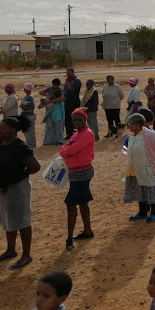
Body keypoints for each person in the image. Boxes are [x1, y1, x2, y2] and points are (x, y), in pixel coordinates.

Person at [0, 116, 40, 269]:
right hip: (0, 189)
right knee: (8, 219)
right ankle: (11, 250)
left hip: (17, 189)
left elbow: (35, 167)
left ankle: (26, 255)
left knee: (22, 220)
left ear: (13, 131)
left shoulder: (20, 147)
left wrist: (18, 176)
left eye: (3, 128)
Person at [60, 109, 95, 250]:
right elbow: (65, 149)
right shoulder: (77, 134)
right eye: (75, 120)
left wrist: (66, 151)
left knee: (71, 203)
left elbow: (68, 150)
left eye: (80, 119)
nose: (77, 122)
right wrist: (66, 151)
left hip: (82, 172)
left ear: (85, 120)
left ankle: (69, 238)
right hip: (76, 172)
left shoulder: (87, 134)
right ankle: (87, 230)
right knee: (82, 202)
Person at [124, 113, 155, 222]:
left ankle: (154, 212)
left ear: (137, 125)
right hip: (136, 169)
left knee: (150, 189)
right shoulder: (131, 136)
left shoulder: (150, 135)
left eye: (130, 124)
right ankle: (142, 212)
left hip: (149, 167)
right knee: (140, 190)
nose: (128, 126)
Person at [39, 79, 65, 145]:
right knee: (49, 125)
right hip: (50, 110)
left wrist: (50, 101)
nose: (54, 86)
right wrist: (47, 94)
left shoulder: (61, 90)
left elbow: (61, 99)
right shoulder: (50, 89)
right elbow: (40, 92)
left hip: (57, 110)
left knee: (58, 125)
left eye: (56, 85)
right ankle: (48, 141)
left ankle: (59, 140)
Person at [63, 69, 82, 139]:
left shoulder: (76, 81)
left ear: (73, 72)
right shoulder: (68, 81)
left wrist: (68, 82)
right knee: (67, 119)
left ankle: (76, 133)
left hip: (74, 103)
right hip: (66, 102)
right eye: (66, 73)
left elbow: (72, 89)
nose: (67, 74)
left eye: (68, 73)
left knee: (74, 118)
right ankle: (69, 134)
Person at [20, 83, 37, 149]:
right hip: (26, 115)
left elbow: (32, 107)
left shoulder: (30, 97)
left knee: (30, 131)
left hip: (29, 116)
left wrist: (23, 106)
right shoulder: (27, 97)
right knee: (26, 131)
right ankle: (29, 143)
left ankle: (32, 145)